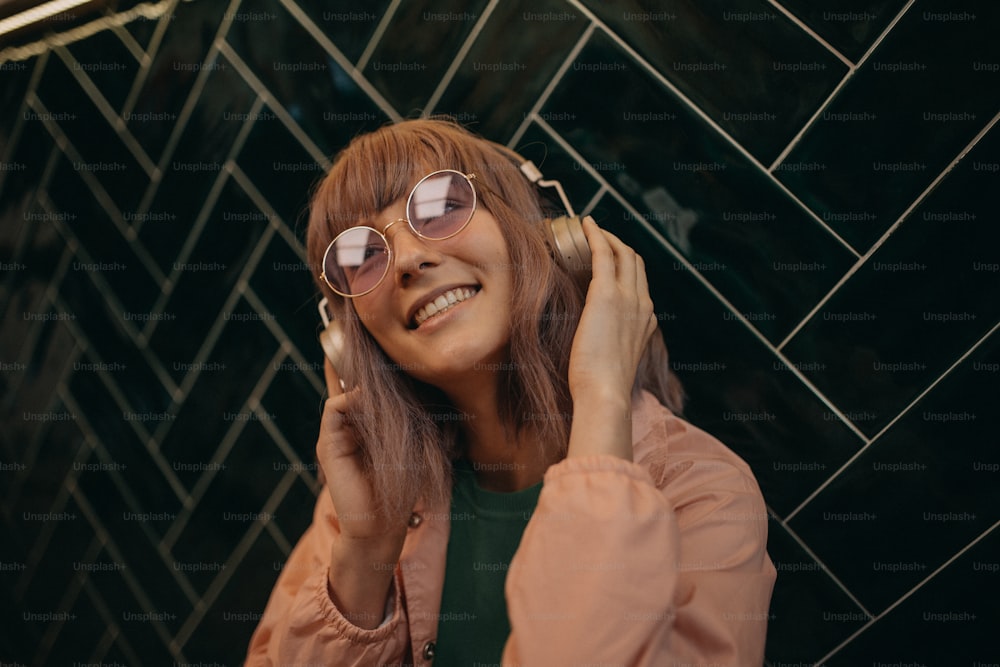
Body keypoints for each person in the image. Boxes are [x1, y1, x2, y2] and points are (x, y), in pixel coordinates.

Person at [245, 118, 776, 666]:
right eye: (361, 255)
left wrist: (601, 401)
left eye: (441, 205)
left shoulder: (705, 495)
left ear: (546, 238)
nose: (405, 260)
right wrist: (366, 552)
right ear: (345, 341)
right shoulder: (363, 499)